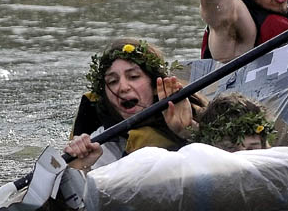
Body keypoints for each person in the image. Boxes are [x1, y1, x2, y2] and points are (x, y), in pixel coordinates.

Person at [64, 38, 207, 172]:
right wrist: (81, 168)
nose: (123, 87)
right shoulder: (102, 144)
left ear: (154, 85)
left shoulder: (202, 117)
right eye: (113, 81)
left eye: (133, 77)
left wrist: (188, 132)